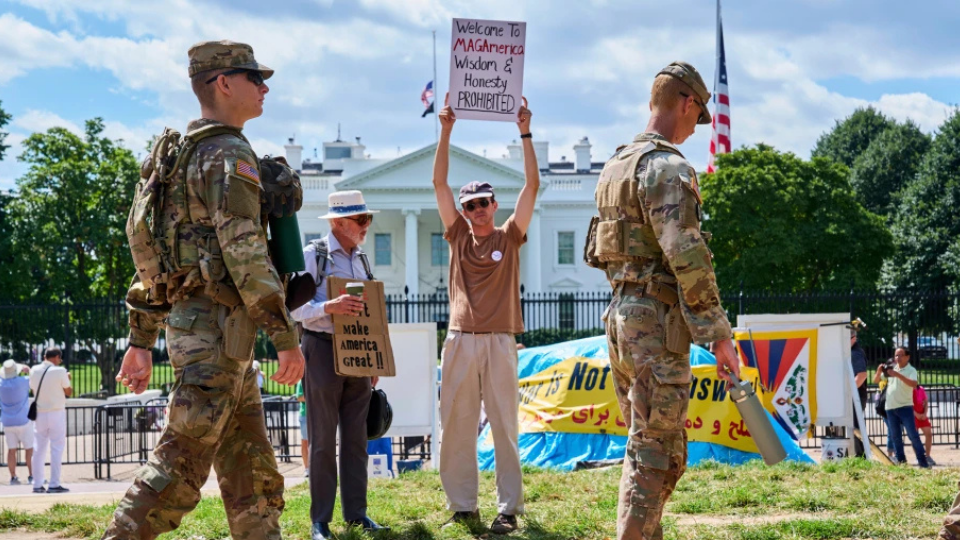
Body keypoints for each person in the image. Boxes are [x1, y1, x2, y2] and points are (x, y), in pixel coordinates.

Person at [101, 40, 305, 540]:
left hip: (213, 336)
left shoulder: (176, 156)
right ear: (223, 84)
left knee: (252, 475)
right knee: (177, 472)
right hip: (215, 339)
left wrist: (141, 340)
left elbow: (159, 261)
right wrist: (284, 335)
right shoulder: (227, 153)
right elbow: (245, 251)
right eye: (254, 78)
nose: (264, 87)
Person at [584, 61, 741, 540]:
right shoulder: (667, 168)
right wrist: (719, 337)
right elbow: (687, 257)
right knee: (657, 451)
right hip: (654, 321)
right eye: (698, 117)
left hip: (620, 317)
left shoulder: (615, 166)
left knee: (648, 446)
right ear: (687, 102)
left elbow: (600, 251)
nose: (696, 129)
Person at [432, 94, 538, 535]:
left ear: (495, 205)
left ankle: (508, 510)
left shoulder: (511, 236)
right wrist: (446, 130)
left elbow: (532, 187)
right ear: (463, 210)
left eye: (484, 203)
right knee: (455, 426)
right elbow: (439, 185)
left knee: (504, 426)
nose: (477, 210)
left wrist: (525, 132)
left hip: (498, 340)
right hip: (459, 338)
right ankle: (463, 507)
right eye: (470, 204)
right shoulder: (456, 234)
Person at [290, 190, 385, 540]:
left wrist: (374, 357)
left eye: (367, 218)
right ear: (339, 222)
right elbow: (294, 310)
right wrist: (329, 307)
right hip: (321, 352)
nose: (366, 226)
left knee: (357, 439)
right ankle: (320, 522)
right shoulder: (312, 255)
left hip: (358, 356)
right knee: (322, 440)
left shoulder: (362, 259)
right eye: (362, 220)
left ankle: (357, 514)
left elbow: (370, 309)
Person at [873, 347, 929, 467]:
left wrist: (898, 375)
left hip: (905, 407)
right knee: (895, 437)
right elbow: (876, 380)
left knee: (913, 435)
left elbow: (914, 384)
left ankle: (923, 462)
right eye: (896, 355)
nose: (898, 358)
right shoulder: (892, 369)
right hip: (890, 407)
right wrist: (878, 371)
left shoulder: (911, 370)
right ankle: (901, 462)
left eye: (901, 355)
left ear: (907, 357)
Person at [29, 347, 72, 494]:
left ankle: (37, 483)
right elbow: (68, 392)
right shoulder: (60, 371)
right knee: (56, 449)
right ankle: (54, 483)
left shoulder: (34, 370)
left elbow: (33, 388)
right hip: (56, 412)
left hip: (40, 413)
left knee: (38, 449)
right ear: (57, 357)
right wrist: (68, 378)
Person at [0, 359, 33, 485]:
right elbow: (34, 381)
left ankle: (13, 476)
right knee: (29, 449)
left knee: (11, 450)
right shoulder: (23, 382)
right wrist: (28, 370)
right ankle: (31, 475)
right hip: (23, 420)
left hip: (7, 421)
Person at [850, 330, 868, 457]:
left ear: (853, 338)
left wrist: (848, 392)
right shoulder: (850, 352)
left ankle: (861, 456)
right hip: (854, 395)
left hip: (855, 395)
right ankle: (858, 455)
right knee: (853, 425)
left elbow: (862, 375)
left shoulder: (855, 353)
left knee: (855, 426)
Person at [914, 384, 934, 465]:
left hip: (922, 415)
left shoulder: (921, 389)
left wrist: (925, 413)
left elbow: (925, 402)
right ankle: (918, 457)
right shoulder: (908, 390)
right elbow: (908, 405)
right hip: (913, 416)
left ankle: (928, 455)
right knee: (915, 437)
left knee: (928, 434)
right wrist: (916, 414)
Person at [295, 379, 309, 477]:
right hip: (305, 415)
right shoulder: (302, 381)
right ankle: (307, 468)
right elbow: (299, 397)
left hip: (320, 414)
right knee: (305, 442)